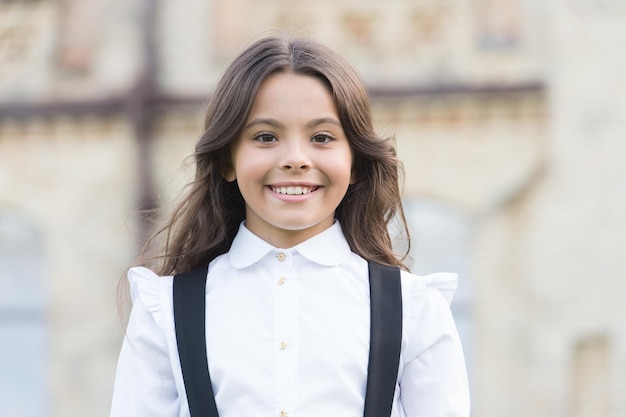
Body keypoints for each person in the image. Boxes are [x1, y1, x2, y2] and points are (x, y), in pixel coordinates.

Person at [110, 35, 470, 417]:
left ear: (356, 162)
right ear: (226, 161)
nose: (296, 159)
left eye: (322, 138)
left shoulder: (415, 310)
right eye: (265, 137)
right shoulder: (163, 312)